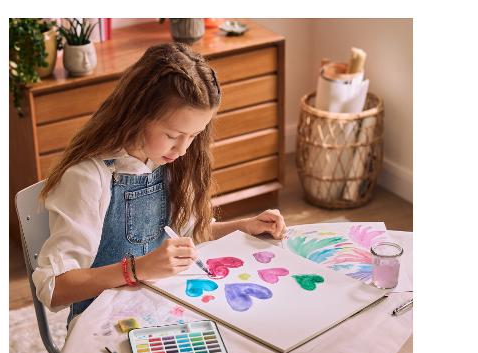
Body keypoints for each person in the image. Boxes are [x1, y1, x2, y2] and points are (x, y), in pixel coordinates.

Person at [33, 42, 287, 327]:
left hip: (164, 309)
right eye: (172, 134)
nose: (182, 148)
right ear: (138, 112)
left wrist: (242, 227)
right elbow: (54, 288)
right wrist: (135, 270)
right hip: (104, 328)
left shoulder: (168, 162)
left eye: (193, 136)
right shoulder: (89, 178)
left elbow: (188, 234)